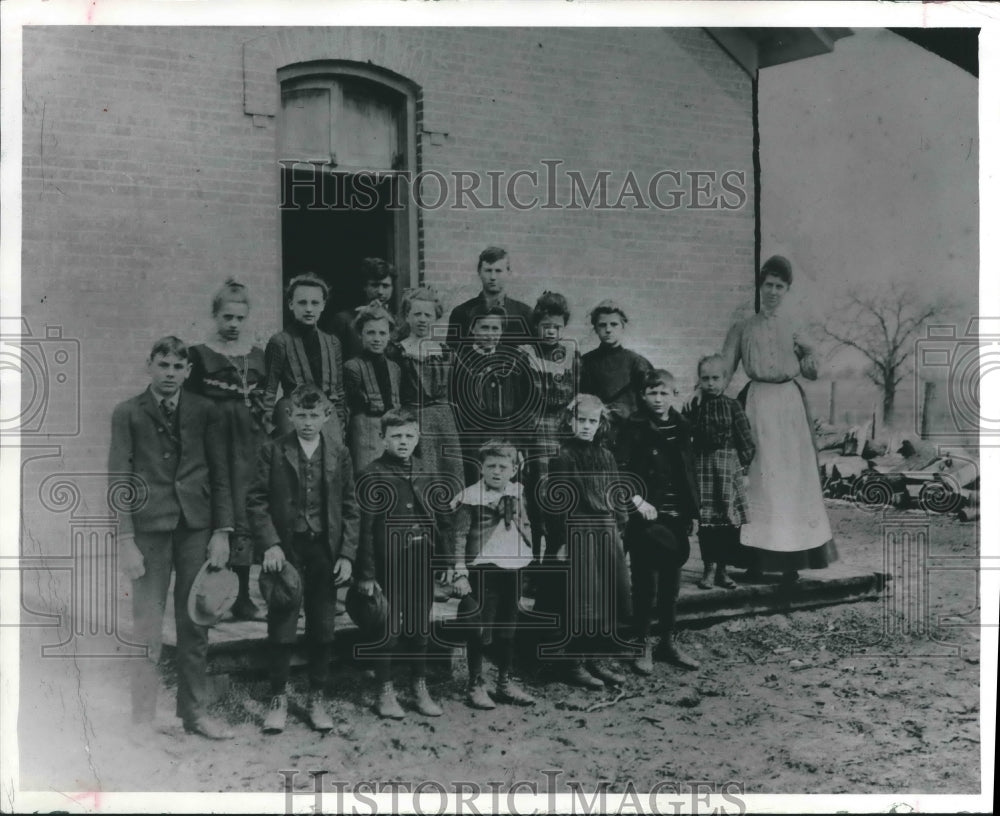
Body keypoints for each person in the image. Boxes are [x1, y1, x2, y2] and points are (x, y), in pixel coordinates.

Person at [108, 336, 234, 739]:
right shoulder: (128, 413)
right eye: (163, 365)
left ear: (188, 372)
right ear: (150, 365)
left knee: (196, 620)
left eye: (178, 367)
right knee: (146, 623)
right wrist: (125, 539)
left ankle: (194, 714)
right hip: (149, 530)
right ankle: (142, 718)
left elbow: (220, 474)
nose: (170, 374)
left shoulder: (205, 411)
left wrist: (222, 531)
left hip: (196, 528)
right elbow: (119, 479)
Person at [246, 385, 359, 734]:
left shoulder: (339, 453)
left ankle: (316, 697)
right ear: (289, 415)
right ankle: (278, 697)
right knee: (281, 621)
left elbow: (351, 506)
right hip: (287, 549)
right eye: (301, 415)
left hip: (324, 549)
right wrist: (270, 544)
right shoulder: (273, 450)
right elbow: (256, 500)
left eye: (315, 415)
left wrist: (347, 554)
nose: (308, 423)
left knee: (323, 625)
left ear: (327, 416)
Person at [720, 255, 837, 582]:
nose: (773, 292)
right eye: (768, 285)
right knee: (758, 479)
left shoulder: (796, 328)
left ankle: (790, 562)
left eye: (779, 287)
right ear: (760, 287)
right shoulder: (743, 327)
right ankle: (757, 561)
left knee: (790, 479)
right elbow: (724, 369)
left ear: (788, 290)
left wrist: (809, 351)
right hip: (756, 403)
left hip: (788, 406)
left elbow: (814, 373)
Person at [353, 408, 451, 719]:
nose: (403, 441)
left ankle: (419, 687)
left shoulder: (425, 470)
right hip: (387, 564)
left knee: (420, 627)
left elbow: (439, 518)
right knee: (388, 628)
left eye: (409, 435)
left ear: (418, 437)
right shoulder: (371, 474)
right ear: (382, 439)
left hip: (420, 561)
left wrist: (446, 560)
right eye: (396, 436)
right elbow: (364, 531)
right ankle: (385, 690)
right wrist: (367, 574)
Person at [185, 278, 268, 620]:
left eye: (240, 318)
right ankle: (211, 593)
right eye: (227, 317)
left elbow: (264, 399)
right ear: (215, 315)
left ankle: (244, 597)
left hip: (249, 445)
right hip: (213, 443)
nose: (233, 324)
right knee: (219, 511)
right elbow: (188, 406)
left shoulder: (256, 356)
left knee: (247, 510)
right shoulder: (199, 356)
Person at [539, 394, 630, 689]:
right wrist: (562, 542)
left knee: (603, 596)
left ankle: (593, 657)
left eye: (593, 421)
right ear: (570, 421)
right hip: (577, 532)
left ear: (600, 424)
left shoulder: (606, 455)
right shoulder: (562, 456)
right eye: (581, 420)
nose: (587, 426)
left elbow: (616, 493)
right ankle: (573, 663)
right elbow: (557, 504)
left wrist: (619, 528)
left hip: (605, 531)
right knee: (580, 598)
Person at [617, 369, 701, 675]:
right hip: (646, 518)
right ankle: (642, 643)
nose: (658, 399)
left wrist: (691, 512)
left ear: (674, 395)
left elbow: (688, 472)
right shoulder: (633, 427)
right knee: (645, 585)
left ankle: (667, 640)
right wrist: (637, 501)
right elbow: (621, 470)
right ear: (643, 396)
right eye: (652, 393)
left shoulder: (682, 427)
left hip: (676, 516)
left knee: (670, 584)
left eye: (664, 393)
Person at [451, 442, 536, 709]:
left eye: (503, 467)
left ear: (514, 469)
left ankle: (504, 681)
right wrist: (459, 570)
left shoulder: (517, 491)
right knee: (480, 628)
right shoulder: (471, 497)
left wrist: (531, 549)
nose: (497, 472)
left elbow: (524, 521)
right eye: (491, 466)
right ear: (481, 468)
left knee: (508, 625)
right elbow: (459, 535)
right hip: (484, 566)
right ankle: (476, 683)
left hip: (513, 564)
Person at [517, 291, 579, 562]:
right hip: (536, 426)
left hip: (564, 428)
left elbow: (578, 390)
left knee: (562, 490)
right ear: (536, 326)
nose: (551, 331)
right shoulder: (525, 354)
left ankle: (557, 555)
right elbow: (519, 399)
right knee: (538, 493)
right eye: (546, 326)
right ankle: (534, 558)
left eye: (557, 326)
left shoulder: (572, 354)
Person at [687, 354, 757, 591]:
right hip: (703, 468)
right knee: (707, 523)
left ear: (725, 379)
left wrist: (745, 470)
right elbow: (686, 437)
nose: (710, 383)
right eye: (705, 378)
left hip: (728, 469)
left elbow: (746, 440)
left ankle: (723, 570)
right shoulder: (695, 406)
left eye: (715, 378)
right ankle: (708, 568)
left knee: (728, 522)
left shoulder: (733, 405)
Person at [451, 308, 533, 485]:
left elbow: (523, 405)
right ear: (472, 329)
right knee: (476, 487)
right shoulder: (459, 361)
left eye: (495, 329)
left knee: (508, 489)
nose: (490, 334)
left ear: (502, 331)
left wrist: (519, 443)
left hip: (506, 435)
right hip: (473, 439)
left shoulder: (514, 361)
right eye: (484, 328)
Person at [395, 286, 464, 490]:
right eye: (417, 314)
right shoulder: (398, 352)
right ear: (407, 317)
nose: (422, 319)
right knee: (419, 473)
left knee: (449, 473)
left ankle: (451, 521)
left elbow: (458, 392)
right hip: (412, 419)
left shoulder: (446, 353)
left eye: (428, 314)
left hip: (444, 422)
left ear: (436, 318)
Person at [262, 272, 346, 441]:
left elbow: (338, 392)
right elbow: (269, 390)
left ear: (323, 305)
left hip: (326, 414)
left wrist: (341, 424)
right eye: (302, 303)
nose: (308, 309)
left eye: (315, 303)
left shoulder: (333, 343)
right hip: (293, 412)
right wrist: (268, 427)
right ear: (291, 304)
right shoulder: (280, 342)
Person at [579, 300, 652, 446]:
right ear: (595, 328)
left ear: (623, 326)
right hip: (596, 436)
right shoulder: (585, 362)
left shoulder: (636, 362)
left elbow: (655, 393)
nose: (608, 329)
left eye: (614, 324)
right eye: (602, 325)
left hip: (630, 435)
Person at [343, 304, 402, 472]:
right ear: (360, 334)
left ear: (389, 335)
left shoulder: (395, 368)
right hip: (365, 430)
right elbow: (350, 407)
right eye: (371, 332)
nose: (377, 338)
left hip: (392, 430)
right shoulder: (352, 367)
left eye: (382, 333)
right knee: (368, 476)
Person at [446, 246, 533, 348]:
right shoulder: (461, 313)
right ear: (479, 272)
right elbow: (452, 354)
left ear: (508, 273)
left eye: (498, 271)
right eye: (488, 270)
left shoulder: (525, 314)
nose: (492, 277)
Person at [326, 257, 398, 359]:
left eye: (385, 286)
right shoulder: (343, 320)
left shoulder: (396, 321)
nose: (380, 291)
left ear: (392, 288)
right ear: (365, 286)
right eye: (375, 285)